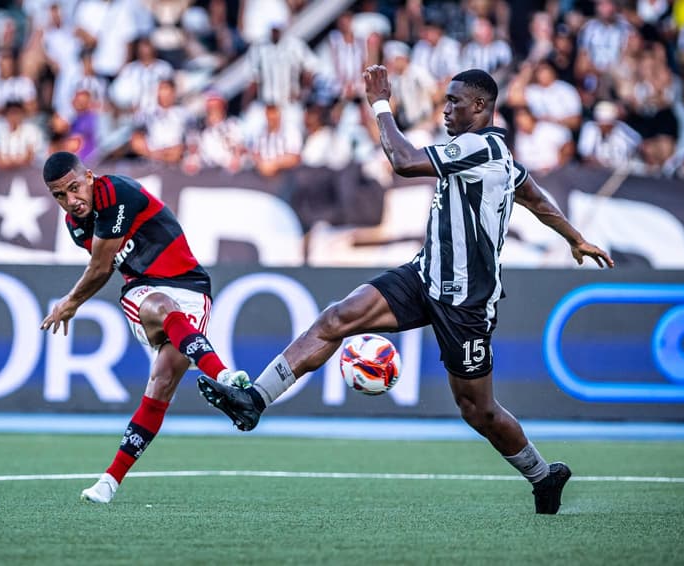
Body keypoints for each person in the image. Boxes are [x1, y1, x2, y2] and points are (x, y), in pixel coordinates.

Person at [197, 67, 615, 515]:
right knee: (337, 318)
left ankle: (542, 475)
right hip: (425, 273)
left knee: (478, 410)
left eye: (455, 101)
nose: (446, 108)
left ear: (480, 106)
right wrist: (573, 237)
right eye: (446, 100)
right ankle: (255, 398)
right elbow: (531, 194)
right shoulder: (496, 153)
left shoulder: (479, 146)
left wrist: (380, 103)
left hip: (466, 301)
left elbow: (403, 161)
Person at [40, 151, 249, 504]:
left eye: (74, 188)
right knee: (160, 305)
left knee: (162, 382)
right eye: (60, 196)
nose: (71, 201)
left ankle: (109, 481)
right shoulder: (76, 226)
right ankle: (225, 375)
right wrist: (73, 301)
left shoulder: (116, 193)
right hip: (142, 290)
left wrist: (71, 300)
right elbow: (106, 268)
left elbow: (100, 266)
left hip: (192, 287)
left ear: (89, 176)